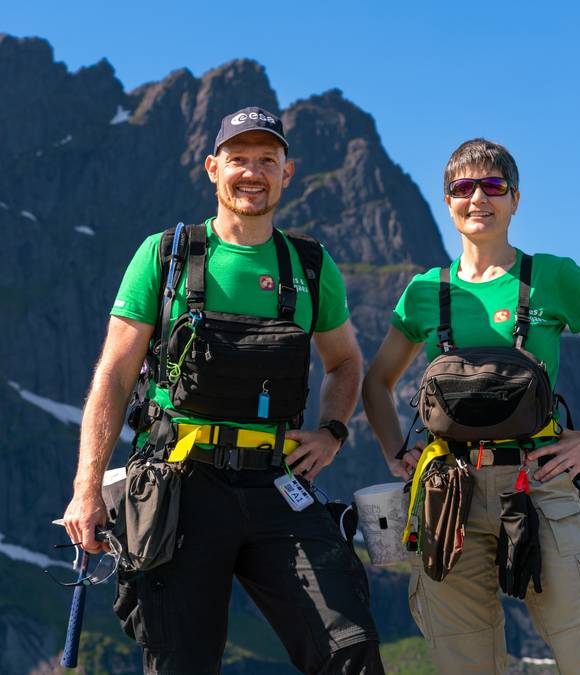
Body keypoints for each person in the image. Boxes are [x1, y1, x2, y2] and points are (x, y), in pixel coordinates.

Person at [62, 106, 383, 674]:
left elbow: (346, 362)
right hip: (179, 482)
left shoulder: (310, 265)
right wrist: (86, 488)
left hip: (276, 482)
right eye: (238, 159)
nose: (252, 172)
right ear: (213, 168)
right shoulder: (165, 255)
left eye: (267, 159)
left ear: (289, 173)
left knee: (349, 646)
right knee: (182, 662)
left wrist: (333, 431)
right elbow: (113, 373)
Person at [361, 138, 580, 674]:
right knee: (463, 660)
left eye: (493, 186)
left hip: (540, 483)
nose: (478, 198)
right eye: (463, 188)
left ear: (515, 199)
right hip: (447, 495)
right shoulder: (425, 292)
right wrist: (392, 453)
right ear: (448, 201)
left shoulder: (554, 276)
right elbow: (376, 382)